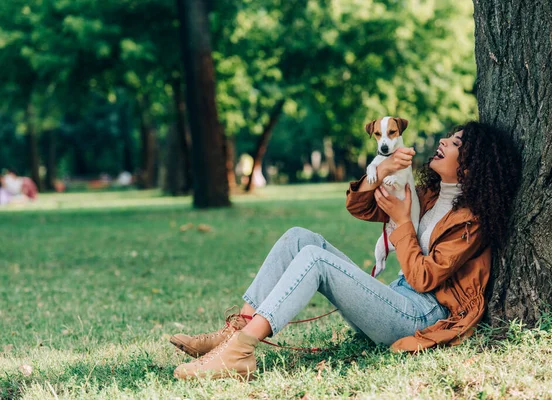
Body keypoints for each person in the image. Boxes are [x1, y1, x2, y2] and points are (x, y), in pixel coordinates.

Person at [170, 121, 521, 380]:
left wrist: (401, 222)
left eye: (455, 142)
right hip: (395, 300)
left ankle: (241, 351)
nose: (444, 140)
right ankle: (234, 333)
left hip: (420, 317)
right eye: (449, 136)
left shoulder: (470, 220)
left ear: (472, 163)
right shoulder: (429, 195)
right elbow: (361, 207)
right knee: (298, 238)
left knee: (316, 260)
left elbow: (424, 278)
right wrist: (378, 173)